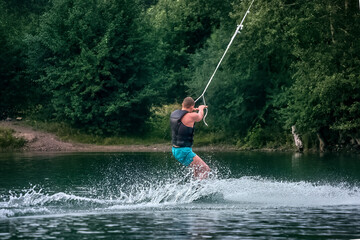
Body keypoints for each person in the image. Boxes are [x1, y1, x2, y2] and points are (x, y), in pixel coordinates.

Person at [170, 97, 211, 180]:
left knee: (197, 169)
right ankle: (199, 189)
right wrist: (201, 108)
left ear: (182, 104)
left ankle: (194, 188)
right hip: (184, 151)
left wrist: (192, 109)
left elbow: (184, 114)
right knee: (206, 169)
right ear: (192, 107)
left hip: (175, 150)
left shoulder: (174, 114)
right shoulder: (192, 116)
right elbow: (199, 116)